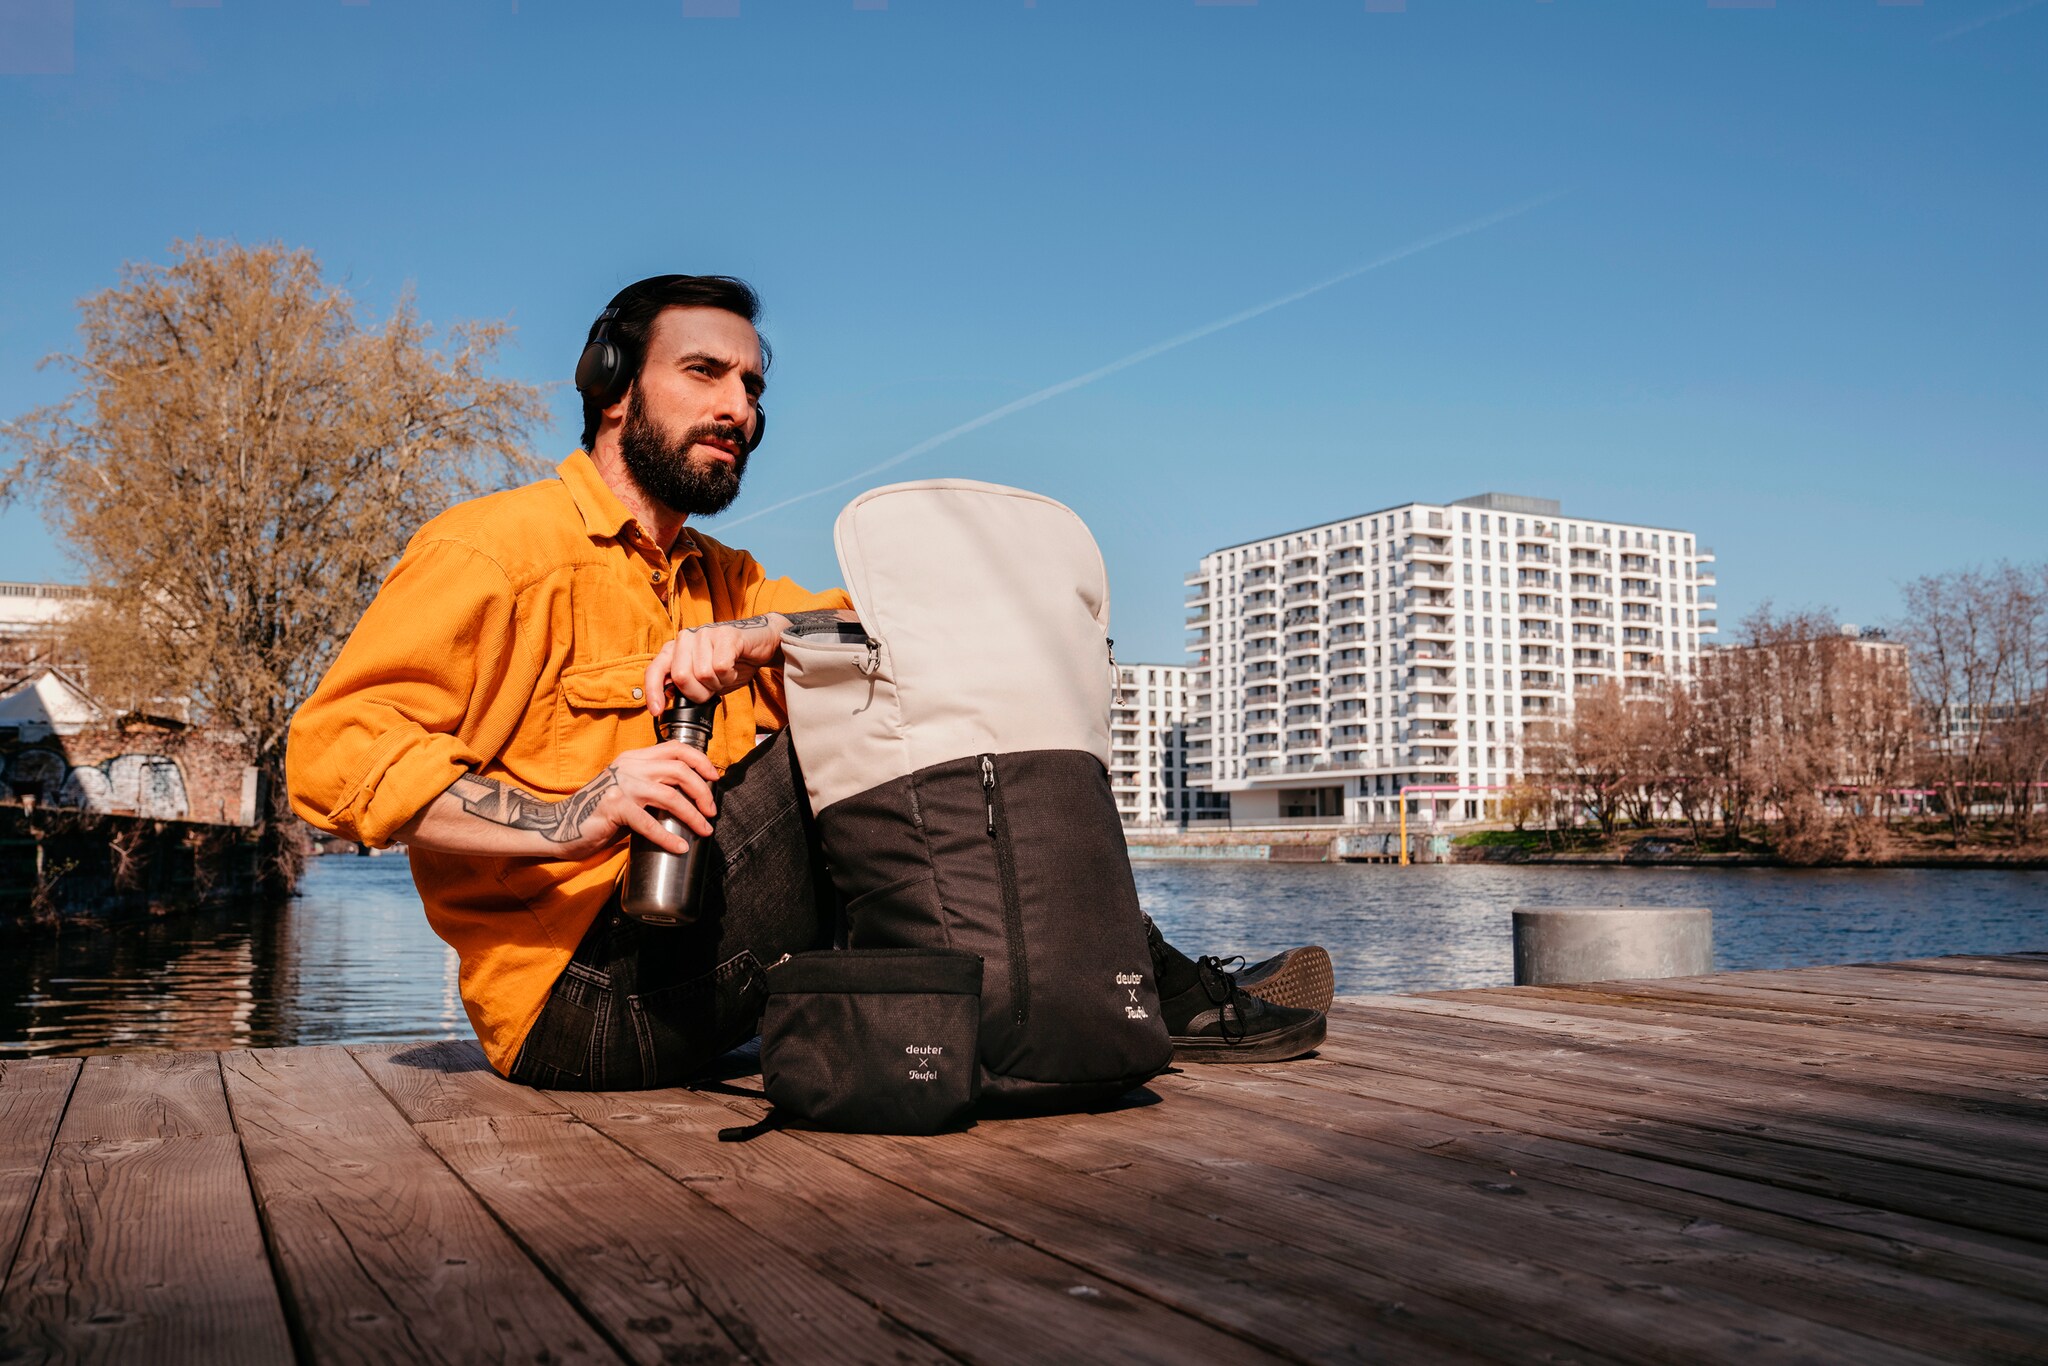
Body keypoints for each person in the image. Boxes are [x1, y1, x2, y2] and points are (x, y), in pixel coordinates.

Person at [287, 274, 1331, 1090]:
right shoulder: (496, 551)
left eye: (752, 386)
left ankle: (1091, 987)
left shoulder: (727, 581)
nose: (738, 405)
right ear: (610, 384)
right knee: (860, 730)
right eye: (704, 373)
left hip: (705, 970)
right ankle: (1154, 991)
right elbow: (334, 757)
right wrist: (578, 811)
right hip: (585, 1000)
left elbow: (902, 619)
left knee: (913, 665)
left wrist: (760, 632)